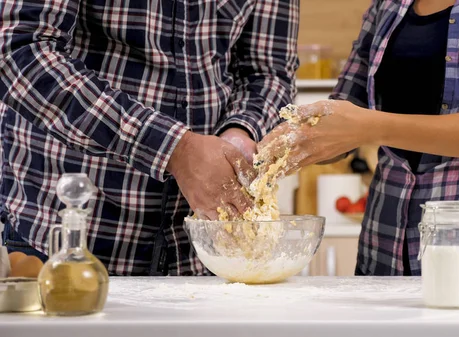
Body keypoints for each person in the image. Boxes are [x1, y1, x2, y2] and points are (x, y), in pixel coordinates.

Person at [259, 0, 459, 276]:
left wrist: (371, 127)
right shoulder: (388, 5)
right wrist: (262, 152)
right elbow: (344, 113)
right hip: (381, 258)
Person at [0, 0, 299, 275]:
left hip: (203, 254)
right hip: (60, 239)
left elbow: (268, 73)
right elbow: (18, 51)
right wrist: (174, 149)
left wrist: (241, 131)